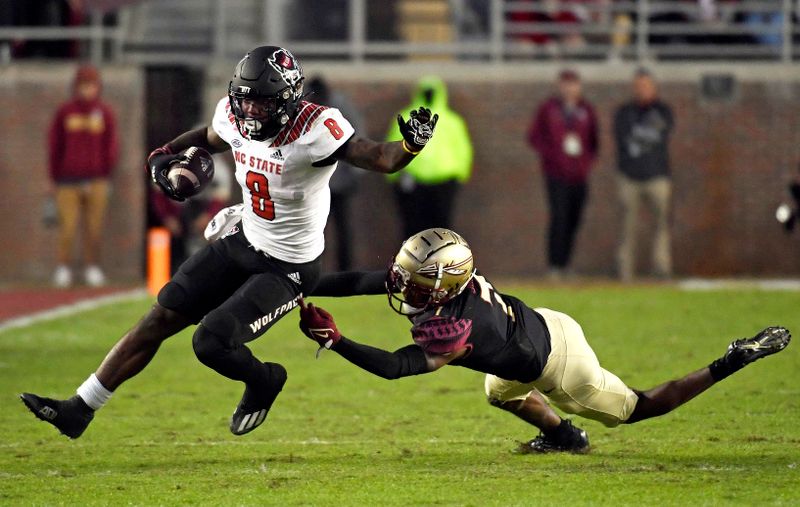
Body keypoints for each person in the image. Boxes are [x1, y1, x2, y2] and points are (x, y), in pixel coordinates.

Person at [21, 46, 439, 439]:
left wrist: (410, 146)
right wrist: (163, 159)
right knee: (160, 316)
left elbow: (379, 158)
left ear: (289, 100)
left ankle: (264, 380)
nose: (251, 110)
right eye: (245, 100)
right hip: (245, 238)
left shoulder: (316, 129)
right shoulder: (234, 116)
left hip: (288, 265)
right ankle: (81, 408)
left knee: (210, 341)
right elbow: (204, 137)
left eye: (262, 102)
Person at [297, 228, 790, 453]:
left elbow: (395, 367)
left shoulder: (454, 329)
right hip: (541, 325)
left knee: (639, 409)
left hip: (559, 366)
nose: (405, 286)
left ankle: (731, 360)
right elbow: (365, 280)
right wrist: (297, 282)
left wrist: (336, 340)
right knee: (497, 391)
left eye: (418, 280)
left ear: (446, 282)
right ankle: (564, 438)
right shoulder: (449, 283)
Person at [48, 64, 119, 287]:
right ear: (76, 87)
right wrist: (53, 177)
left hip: (97, 180)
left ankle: (91, 267)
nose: (87, 90)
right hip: (67, 181)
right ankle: (63, 268)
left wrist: (105, 173)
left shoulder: (104, 112)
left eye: (91, 85)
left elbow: (111, 146)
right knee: (67, 228)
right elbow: (54, 145)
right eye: (83, 85)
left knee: (94, 228)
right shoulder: (65, 112)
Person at [528, 69, 598, 279]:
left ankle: (567, 263)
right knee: (558, 217)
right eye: (565, 84)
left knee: (574, 218)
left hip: (579, 175)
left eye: (573, 84)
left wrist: (584, 163)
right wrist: (552, 155)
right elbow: (534, 137)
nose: (569, 89)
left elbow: (594, 141)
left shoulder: (586, 110)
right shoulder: (548, 109)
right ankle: (555, 264)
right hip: (556, 174)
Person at [387, 76, 473, 239]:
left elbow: (463, 150)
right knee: (413, 229)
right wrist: (396, 177)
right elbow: (392, 148)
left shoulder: (452, 121)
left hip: (444, 181)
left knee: (442, 230)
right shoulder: (406, 118)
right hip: (414, 181)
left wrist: (459, 176)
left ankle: (442, 263)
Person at [613, 69, 675, 281]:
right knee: (627, 227)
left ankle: (662, 269)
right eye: (638, 86)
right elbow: (622, 137)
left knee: (661, 225)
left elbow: (659, 132)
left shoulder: (663, 110)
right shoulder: (624, 112)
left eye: (646, 86)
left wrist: (638, 140)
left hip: (657, 176)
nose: (642, 90)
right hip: (629, 177)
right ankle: (625, 272)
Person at [305, 76, 365, 270]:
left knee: (342, 229)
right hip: (315, 183)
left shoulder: (340, 108)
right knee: (312, 231)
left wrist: (355, 174)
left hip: (337, 183)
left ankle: (343, 270)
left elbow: (357, 137)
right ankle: (311, 270)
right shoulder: (303, 107)